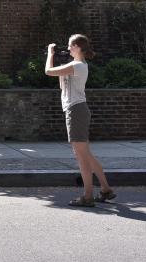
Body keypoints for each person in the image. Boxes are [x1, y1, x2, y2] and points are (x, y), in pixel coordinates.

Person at [44, 34, 115, 207]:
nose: (68, 49)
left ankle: (88, 196)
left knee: (81, 156)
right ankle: (106, 189)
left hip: (76, 111)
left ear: (77, 47)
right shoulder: (75, 65)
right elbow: (62, 86)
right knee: (86, 154)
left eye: (70, 46)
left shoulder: (77, 65)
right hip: (77, 110)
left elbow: (48, 71)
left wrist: (50, 53)